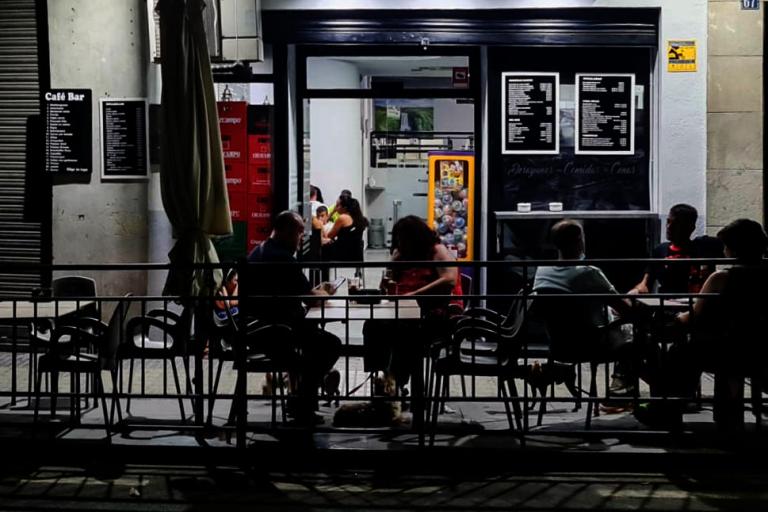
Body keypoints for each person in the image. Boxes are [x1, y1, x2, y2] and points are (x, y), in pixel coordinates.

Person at [648, 218, 768, 430]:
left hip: (725, 349)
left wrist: (673, 319)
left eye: (725, 246)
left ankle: (666, 410)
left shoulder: (722, 278)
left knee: (678, 353)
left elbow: (692, 317)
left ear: (733, 248)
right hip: (759, 348)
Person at [246, 211, 342, 424]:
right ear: (287, 232)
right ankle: (302, 403)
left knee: (314, 344)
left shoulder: (259, 252)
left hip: (259, 327)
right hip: (275, 332)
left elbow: (299, 292)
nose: (301, 240)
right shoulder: (282, 259)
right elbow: (311, 299)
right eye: (299, 233)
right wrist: (326, 292)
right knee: (331, 344)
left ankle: (300, 398)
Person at [533, 219, 638, 394]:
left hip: (560, 345)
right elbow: (625, 309)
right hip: (594, 343)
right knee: (641, 338)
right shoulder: (589, 272)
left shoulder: (543, 271)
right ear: (580, 241)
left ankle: (623, 391)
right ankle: (651, 393)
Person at [363, 216, 459, 390]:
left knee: (405, 333)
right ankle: (382, 374)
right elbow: (388, 282)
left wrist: (415, 294)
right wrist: (390, 269)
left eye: (404, 239)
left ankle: (396, 381)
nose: (401, 243)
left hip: (430, 313)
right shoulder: (402, 254)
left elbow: (450, 279)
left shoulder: (436, 251)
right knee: (372, 326)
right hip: (400, 310)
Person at [630, 204, 723, 295]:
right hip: (667, 306)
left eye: (676, 224)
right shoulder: (660, 250)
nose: (669, 227)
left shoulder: (704, 245)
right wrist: (637, 290)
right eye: (668, 222)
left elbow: (731, 243)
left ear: (690, 228)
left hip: (698, 305)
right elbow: (645, 283)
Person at [322, 196, 368, 263]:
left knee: (322, 248)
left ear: (344, 208)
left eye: (337, 205)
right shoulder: (360, 219)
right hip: (357, 253)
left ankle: (321, 272)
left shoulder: (343, 218)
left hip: (343, 253)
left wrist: (322, 227)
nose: (335, 208)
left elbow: (329, 236)